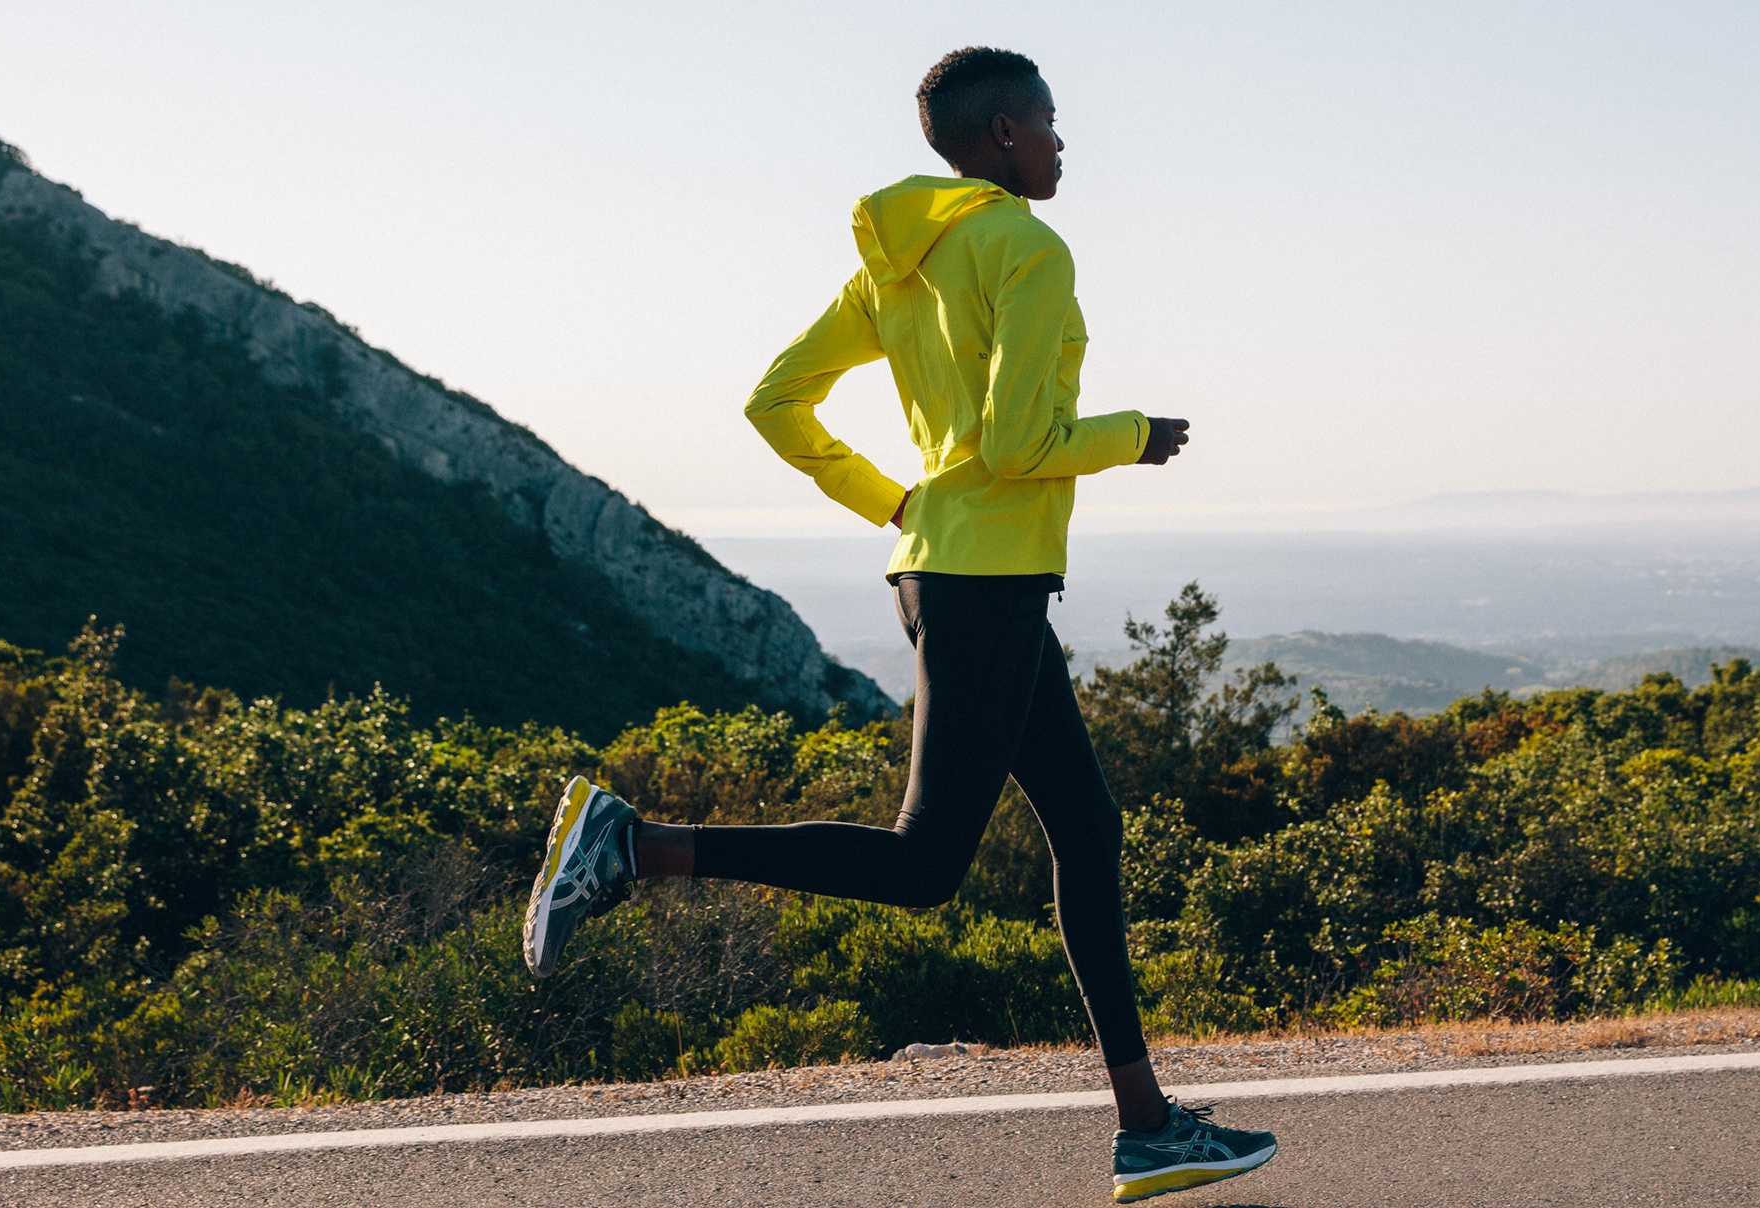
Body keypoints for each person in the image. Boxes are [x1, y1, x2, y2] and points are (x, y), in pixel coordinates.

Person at [518, 45, 1276, 1205]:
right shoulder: (1023, 247)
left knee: (1086, 828)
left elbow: (776, 399)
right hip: (983, 587)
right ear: (1005, 137)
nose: (1066, 143)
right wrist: (1133, 432)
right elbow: (1020, 446)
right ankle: (638, 845)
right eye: (1052, 123)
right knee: (926, 862)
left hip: (954, 574)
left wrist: (889, 497)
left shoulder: (894, 267)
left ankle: (1147, 1127)